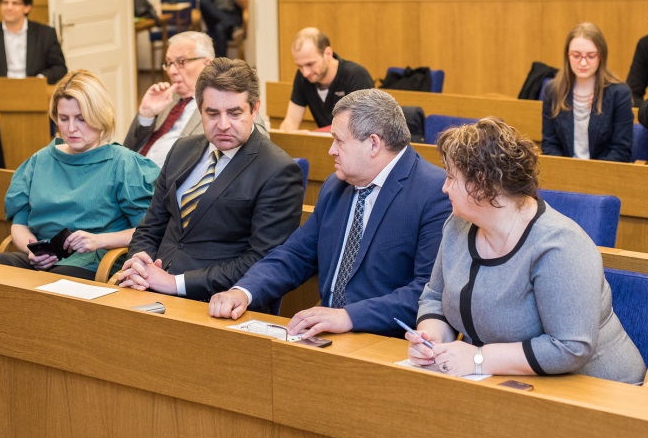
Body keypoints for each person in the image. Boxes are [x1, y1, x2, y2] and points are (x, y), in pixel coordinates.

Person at [407, 117, 646, 383]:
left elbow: (570, 346)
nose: (444, 187)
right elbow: (435, 296)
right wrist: (432, 339)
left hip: (597, 388)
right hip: (502, 381)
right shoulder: (457, 225)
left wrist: (478, 359)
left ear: (481, 184)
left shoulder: (559, 244)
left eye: (451, 178)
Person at [209, 89, 451, 337]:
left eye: (339, 141)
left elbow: (427, 291)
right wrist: (244, 291)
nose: (331, 150)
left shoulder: (434, 192)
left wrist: (349, 316)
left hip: (385, 340)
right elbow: (295, 255)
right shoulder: (336, 186)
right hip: (327, 333)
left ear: (373, 144)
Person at [111, 58, 303, 301]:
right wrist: (139, 262)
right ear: (199, 109)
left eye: (234, 113)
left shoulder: (278, 170)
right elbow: (150, 227)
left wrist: (175, 283)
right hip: (148, 287)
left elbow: (262, 260)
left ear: (254, 109)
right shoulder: (182, 149)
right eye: (212, 113)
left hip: (214, 300)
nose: (223, 125)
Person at [0, 70, 159, 280]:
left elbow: (146, 231)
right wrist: (31, 250)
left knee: (59, 282)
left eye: (81, 119)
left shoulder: (124, 164)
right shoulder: (40, 161)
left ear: (99, 117)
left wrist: (99, 240)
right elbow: (20, 224)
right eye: (63, 118)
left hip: (94, 260)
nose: (71, 128)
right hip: (45, 259)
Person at [124, 32, 267, 167]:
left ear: (207, 64)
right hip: (130, 173)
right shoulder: (165, 97)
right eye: (169, 63)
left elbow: (259, 144)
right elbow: (128, 148)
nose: (171, 71)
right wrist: (146, 116)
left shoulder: (227, 101)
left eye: (181, 62)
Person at [542, 23, 633, 162]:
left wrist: (589, 173)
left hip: (605, 171)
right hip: (564, 172)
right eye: (576, 56)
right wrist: (566, 171)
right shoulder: (552, 90)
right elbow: (550, 144)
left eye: (591, 56)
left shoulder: (620, 93)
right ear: (567, 56)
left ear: (601, 56)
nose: (583, 63)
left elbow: (621, 150)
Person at [278, 28, 374, 131]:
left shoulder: (356, 76)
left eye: (310, 64)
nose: (305, 73)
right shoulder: (302, 77)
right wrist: (286, 133)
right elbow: (291, 121)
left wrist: (313, 134)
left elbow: (359, 128)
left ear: (328, 54)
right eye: (300, 66)